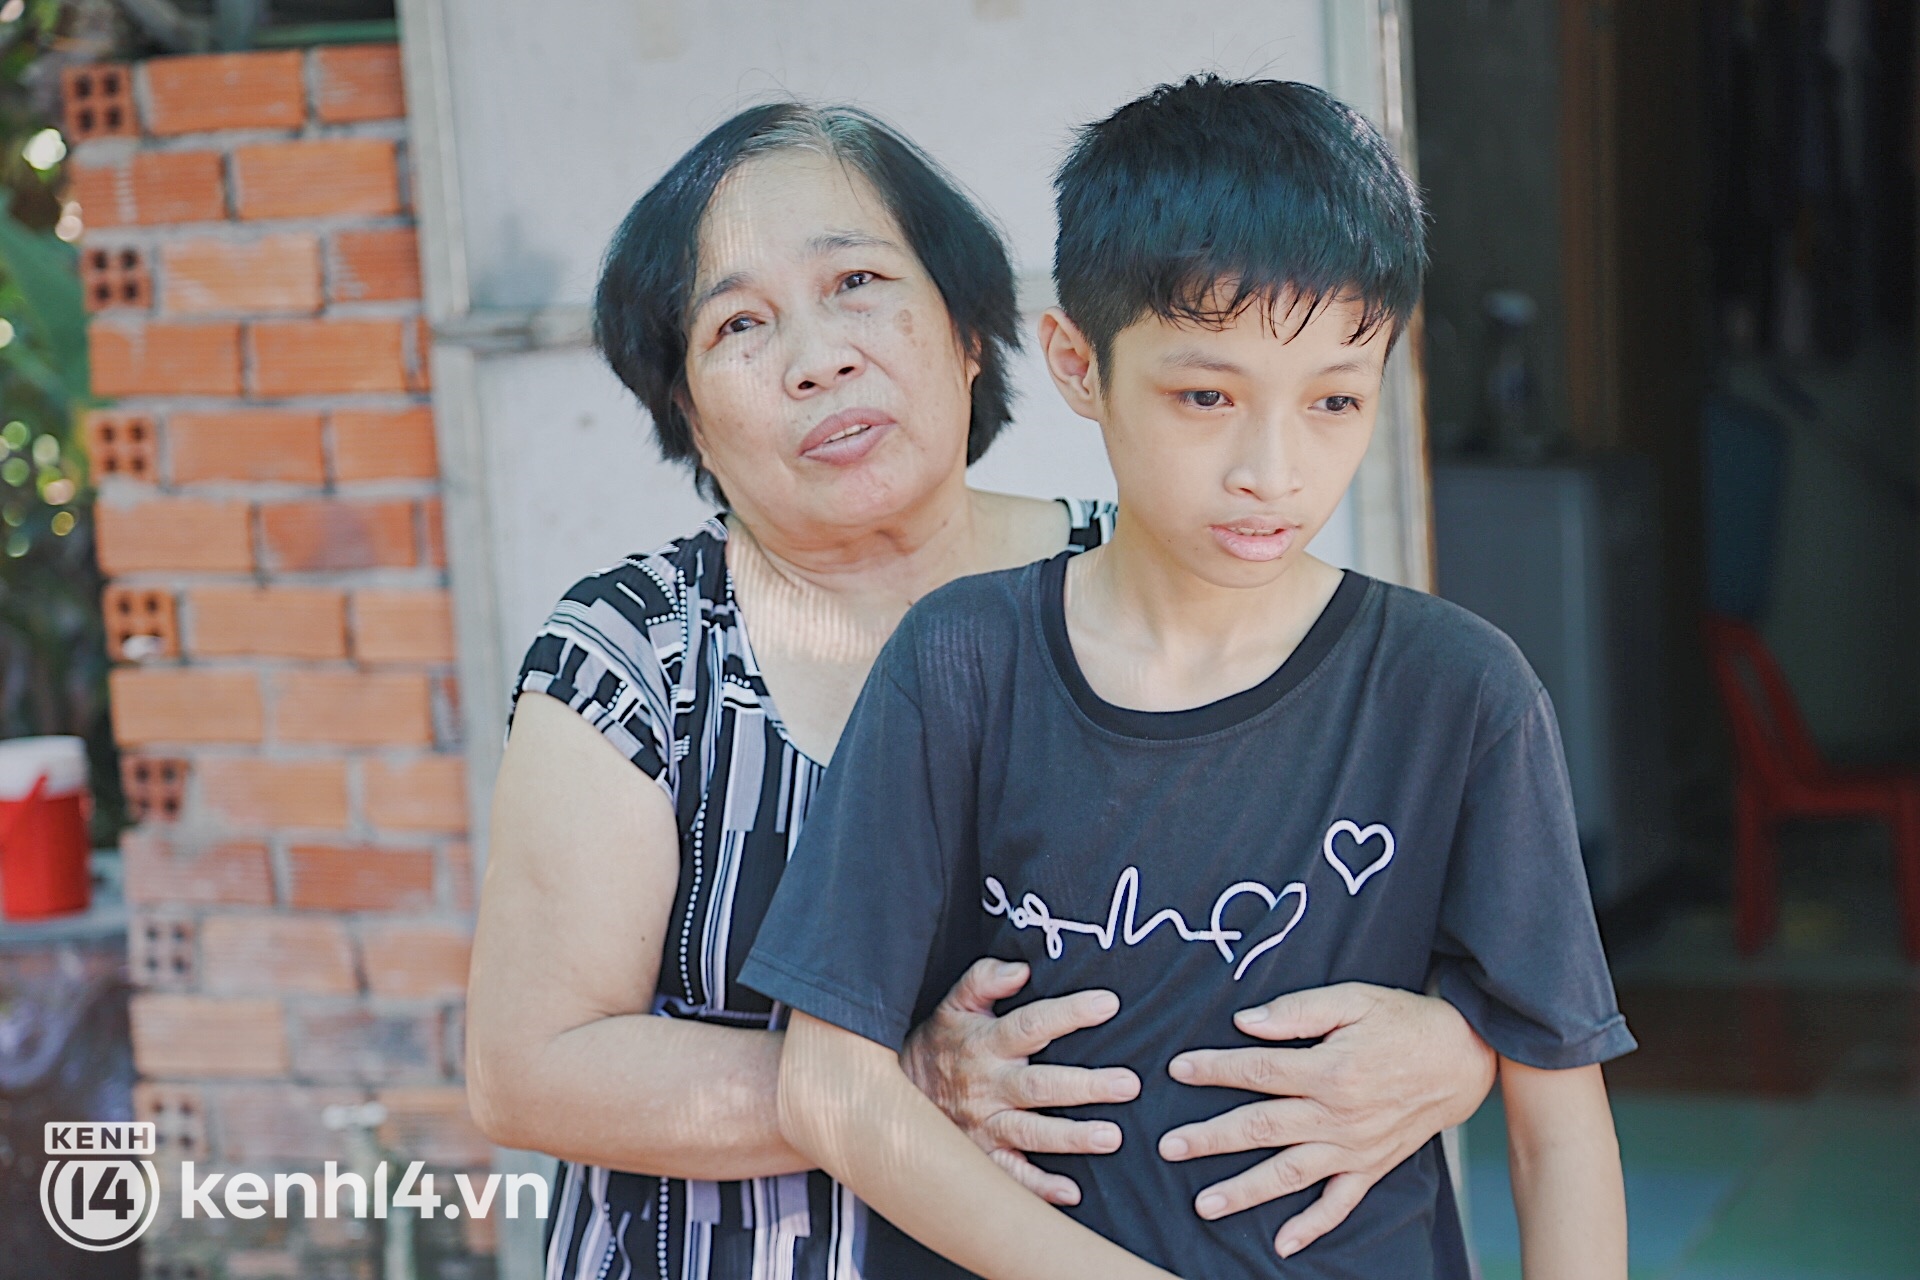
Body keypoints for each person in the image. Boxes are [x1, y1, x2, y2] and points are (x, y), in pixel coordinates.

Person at [466, 99, 1500, 1280]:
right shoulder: (636, 651)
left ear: (971, 329)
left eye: (856, 282)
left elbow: (1389, 905)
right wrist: (900, 1080)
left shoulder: (1164, 569)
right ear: (688, 413)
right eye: (740, 324)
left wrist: (1457, 1044)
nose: (820, 357)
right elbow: (528, 1066)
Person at [742, 76, 1635, 1280]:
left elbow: (1559, 1126)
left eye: (1334, 400)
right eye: (1205, 396)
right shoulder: (961, 665)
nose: (1272, 468)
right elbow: (827, 1079)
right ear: (1076, 362)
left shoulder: (1457, 694)